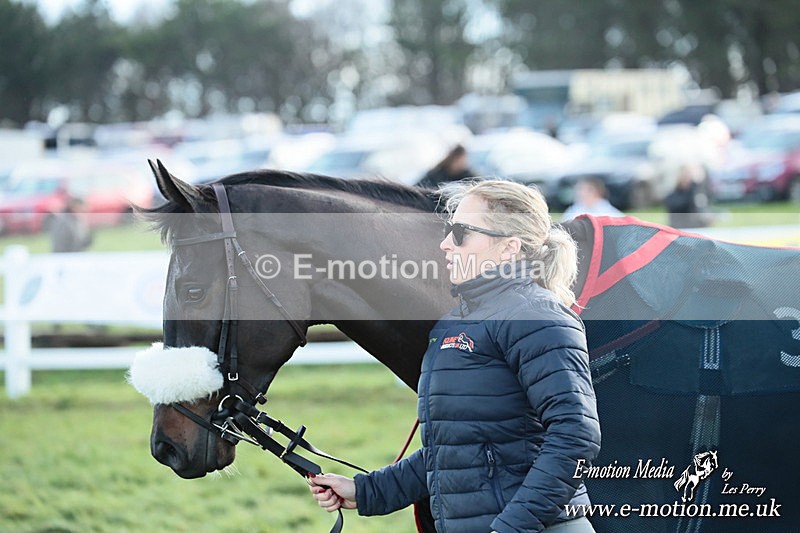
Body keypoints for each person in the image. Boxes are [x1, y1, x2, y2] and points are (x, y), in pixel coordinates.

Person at [309, 179, 601, 532]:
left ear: (509, 247)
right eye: (449, 230)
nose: (446, 244)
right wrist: (366, 490)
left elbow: (575, 436)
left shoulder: (538, 317)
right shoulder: (452, 324)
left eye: (462, 233)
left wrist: (513, 527)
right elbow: (452, 449)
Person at [664, 164, 710, 229]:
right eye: (687, 175)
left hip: (696, 229)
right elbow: (682, 205)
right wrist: (694, 186)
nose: (688, 178)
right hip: (680, 229)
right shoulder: (673, 195)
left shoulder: (698, 192)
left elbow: (702, 212)